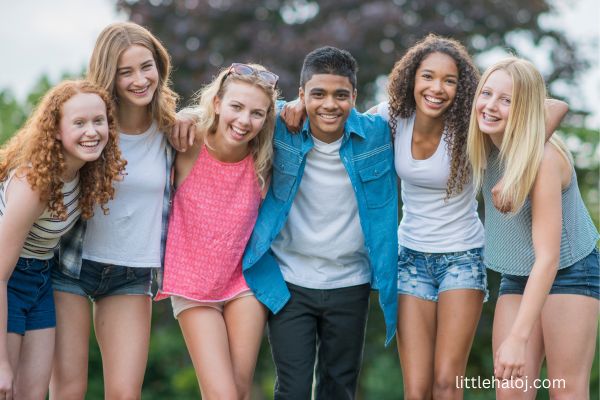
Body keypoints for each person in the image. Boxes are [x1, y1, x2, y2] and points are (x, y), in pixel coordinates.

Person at [243, 46, 398, 400]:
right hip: (290, 282)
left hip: (351, 283)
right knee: (293, 390)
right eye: (318, 94)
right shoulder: (280, 125)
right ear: (301, 95)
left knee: (339, 388)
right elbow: (231, 109)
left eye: (341, 95)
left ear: (355, 97)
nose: (330, 104)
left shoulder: (377, 134)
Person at [50, 22, 178, 399]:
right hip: (72, 265)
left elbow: (236, 117)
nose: (140, 79)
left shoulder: (174, 130)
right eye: (126, 72)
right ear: (110, 75)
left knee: (125, 393)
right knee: (69, 390)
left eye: (146, 66)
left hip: (132, 272)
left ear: (159, 65)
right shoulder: (92, 127)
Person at [467, 57, 598, 399]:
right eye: (487, 94)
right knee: (510, 389)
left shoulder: (543, 159)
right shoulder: (485, 142)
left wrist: (518, 337)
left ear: (524, 108)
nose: (491, 106)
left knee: (565, 390)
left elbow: (548, 258)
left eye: (506, 100)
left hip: (569, 270)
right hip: (517, 273)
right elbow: (554, 105)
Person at [154, 62, 278, 399]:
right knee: (222, 394)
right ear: (218, 103)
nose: (243, 121)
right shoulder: (189, 142)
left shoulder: (263, 156)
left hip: (243, 283)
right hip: (193, 285)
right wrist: (185, 115)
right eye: (236, 107)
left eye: (257, 113)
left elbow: (306, 114)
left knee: (239, 391)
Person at [0, 79, 124, 400]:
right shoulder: (35, 184)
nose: (92, 131)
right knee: (4, 386)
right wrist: (0, 361)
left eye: (99, 121)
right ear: (55, 130)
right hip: (8, 282)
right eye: (79, 123)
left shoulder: (83, 174)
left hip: (40, 280)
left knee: (32, 392)